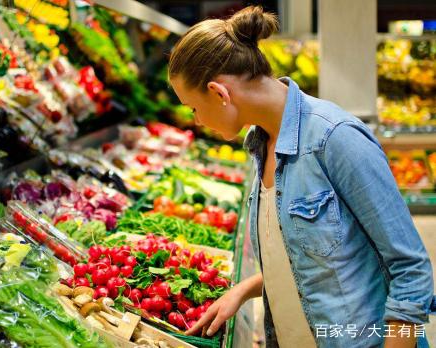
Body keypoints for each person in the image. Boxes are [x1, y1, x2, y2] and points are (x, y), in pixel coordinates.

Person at [168, 5, 436, 348]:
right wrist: (245, 290)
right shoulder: (262, 144)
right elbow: (312, 256)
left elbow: (411, 271)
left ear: (220, 94)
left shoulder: (335, 138)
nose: (197, 121)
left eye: (193, 108)